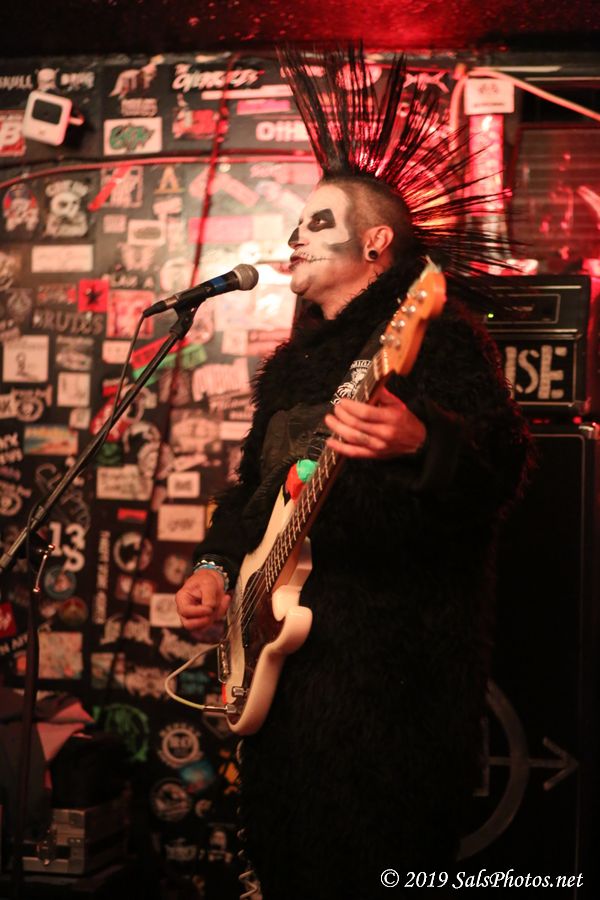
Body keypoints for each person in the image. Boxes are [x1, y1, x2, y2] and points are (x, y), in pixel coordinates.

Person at [175, 45, 532, 899]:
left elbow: (505, 468)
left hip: (391, 696)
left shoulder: (436, 335)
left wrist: (424, 443)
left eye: (316, 223)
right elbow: (249, 495)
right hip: (281, 691)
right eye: (296, 225)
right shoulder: (292, 368)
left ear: (376, 242)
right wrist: (215, 568)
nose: (293, 238)